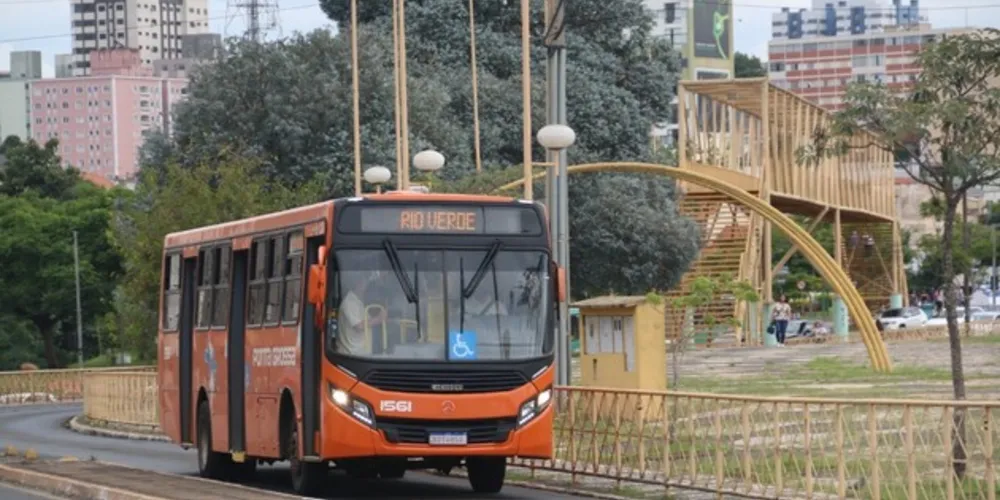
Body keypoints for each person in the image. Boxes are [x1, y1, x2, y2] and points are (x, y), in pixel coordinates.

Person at [338, 275, 383, 356]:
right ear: (359, 283)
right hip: (351, 355)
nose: (367, 286)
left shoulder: (358, 301)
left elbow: (366, 320)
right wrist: (378, 319)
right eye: (365, 283)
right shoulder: (349, 302)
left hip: (360, 353)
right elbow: (359, 326)